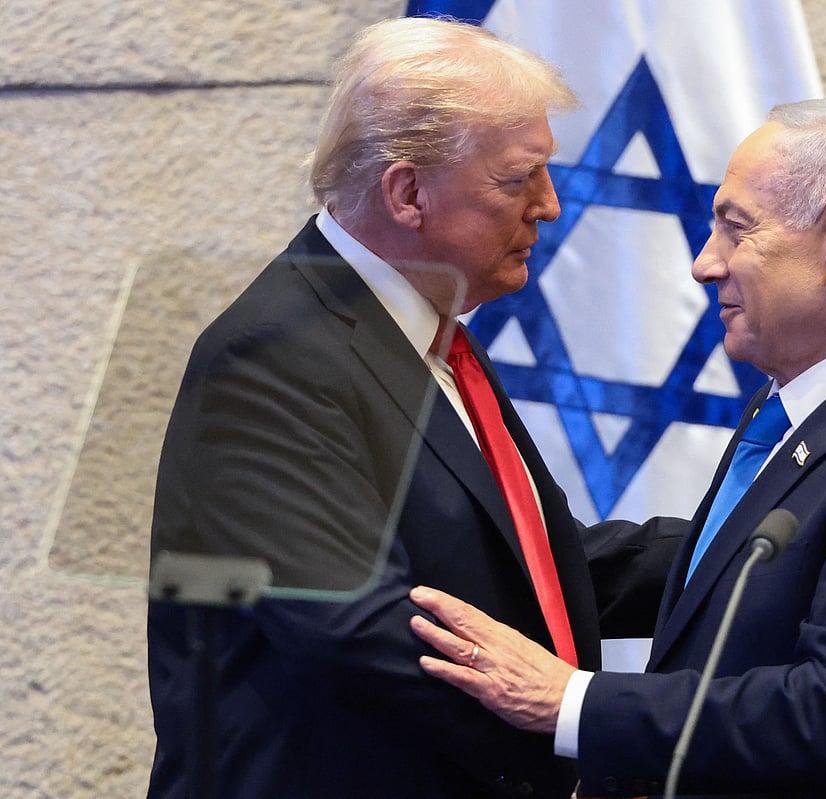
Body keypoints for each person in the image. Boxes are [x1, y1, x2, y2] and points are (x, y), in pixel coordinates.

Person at [409, 98, 826, 798]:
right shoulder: (807, 398)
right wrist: (467, 554)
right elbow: (733, 571)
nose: (702, 263)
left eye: (734, 229)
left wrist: (567, 700)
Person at [146, 16, 676, 799]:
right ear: (407, 192)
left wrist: (754, 551)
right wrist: (578, 743)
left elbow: (520, 568)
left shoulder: (431, 331)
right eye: (516, 179)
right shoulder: (270, 357)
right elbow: (365, 634)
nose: (550, 206)